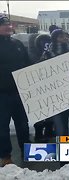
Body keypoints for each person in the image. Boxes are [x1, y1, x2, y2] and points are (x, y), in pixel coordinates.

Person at [0, 14, 31, 166]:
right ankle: (5, 156)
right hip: (2, 95)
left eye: (8, 24)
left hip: (20, 93)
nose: (7, 27)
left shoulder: (17, 44)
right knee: (2, 127)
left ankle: (27, 151)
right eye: (3, 24)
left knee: (23, 124)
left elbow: (29, 64)